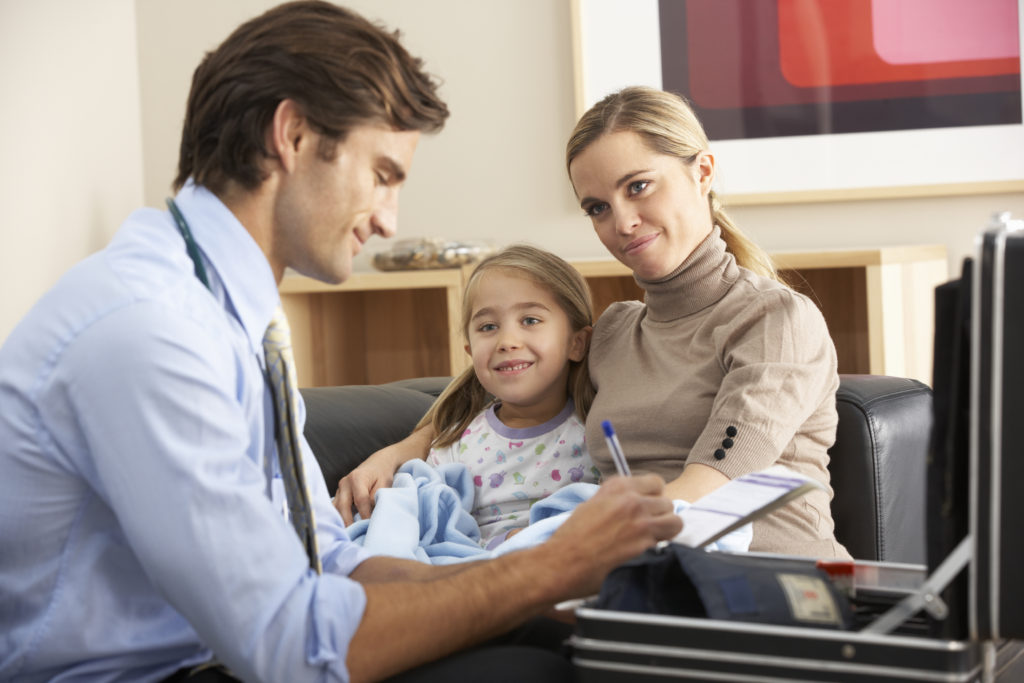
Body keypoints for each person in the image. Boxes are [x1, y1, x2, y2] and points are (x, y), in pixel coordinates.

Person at [0, 6, 682, 681]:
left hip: (230, 652)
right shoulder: (153, 331)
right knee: (520, 671)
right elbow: (292, 645)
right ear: (293, 136)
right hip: (143, 674)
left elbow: (331, 561)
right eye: (382, 175)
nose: (388, 221)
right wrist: (546, 569)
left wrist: (546, 588)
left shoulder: (237, 316)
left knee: (560, 643)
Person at [340, 86, 849, 560]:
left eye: (639, 187)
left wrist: (560, 543)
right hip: (641, 576)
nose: (622, 223)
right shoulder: (614, 333)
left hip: (776, 583)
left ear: (703, 172)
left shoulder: (774, 320)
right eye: (598, 207)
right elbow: (504, 389)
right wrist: (403, 450)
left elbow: (712, 481)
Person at [362, 244, 601, 548]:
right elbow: (434, 529)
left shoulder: (598, 434)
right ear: (470, 351)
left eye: (530, 320)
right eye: (488, 326)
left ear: (576, 343)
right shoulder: (455, 445)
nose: (507, 341)